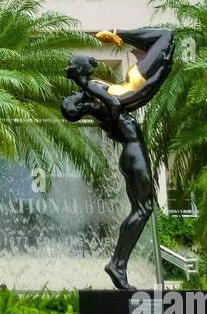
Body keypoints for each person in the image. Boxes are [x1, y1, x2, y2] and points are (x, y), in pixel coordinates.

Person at [61, 29, 174, 291]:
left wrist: (160, 73)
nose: (92, 59)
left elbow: (118, 101)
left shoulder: (95, 96)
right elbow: (114, 104)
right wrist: (86, 84)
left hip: (131, 154)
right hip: (133, 155)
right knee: (144, 210)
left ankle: (118, 264)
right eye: (85, 60)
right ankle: (118, 264)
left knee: (142, 209)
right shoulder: (95, 92)